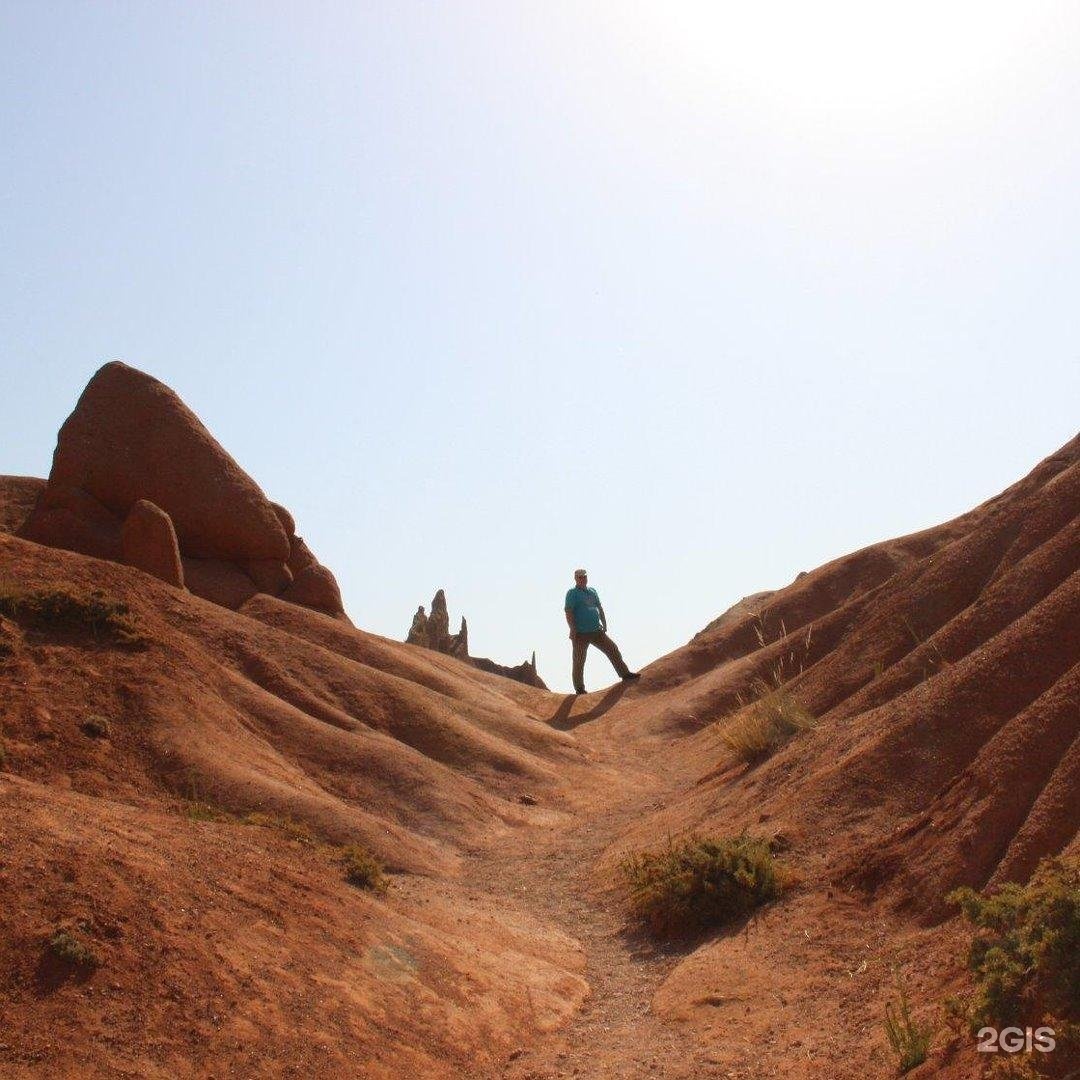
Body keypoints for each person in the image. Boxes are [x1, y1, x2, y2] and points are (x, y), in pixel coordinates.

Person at [564, 568, 640, 695]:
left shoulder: (592, 591)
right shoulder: (572, 593)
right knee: (579, 660)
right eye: (580, 577)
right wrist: (572, 629)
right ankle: (579, 689)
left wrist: (604, 623)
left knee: (612, 649)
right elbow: (568, 611)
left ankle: (624, 674)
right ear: (576, 579)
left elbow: (599, 607)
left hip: (596, 630)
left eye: (584, 577)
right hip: (581, 633)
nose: (583, 579)